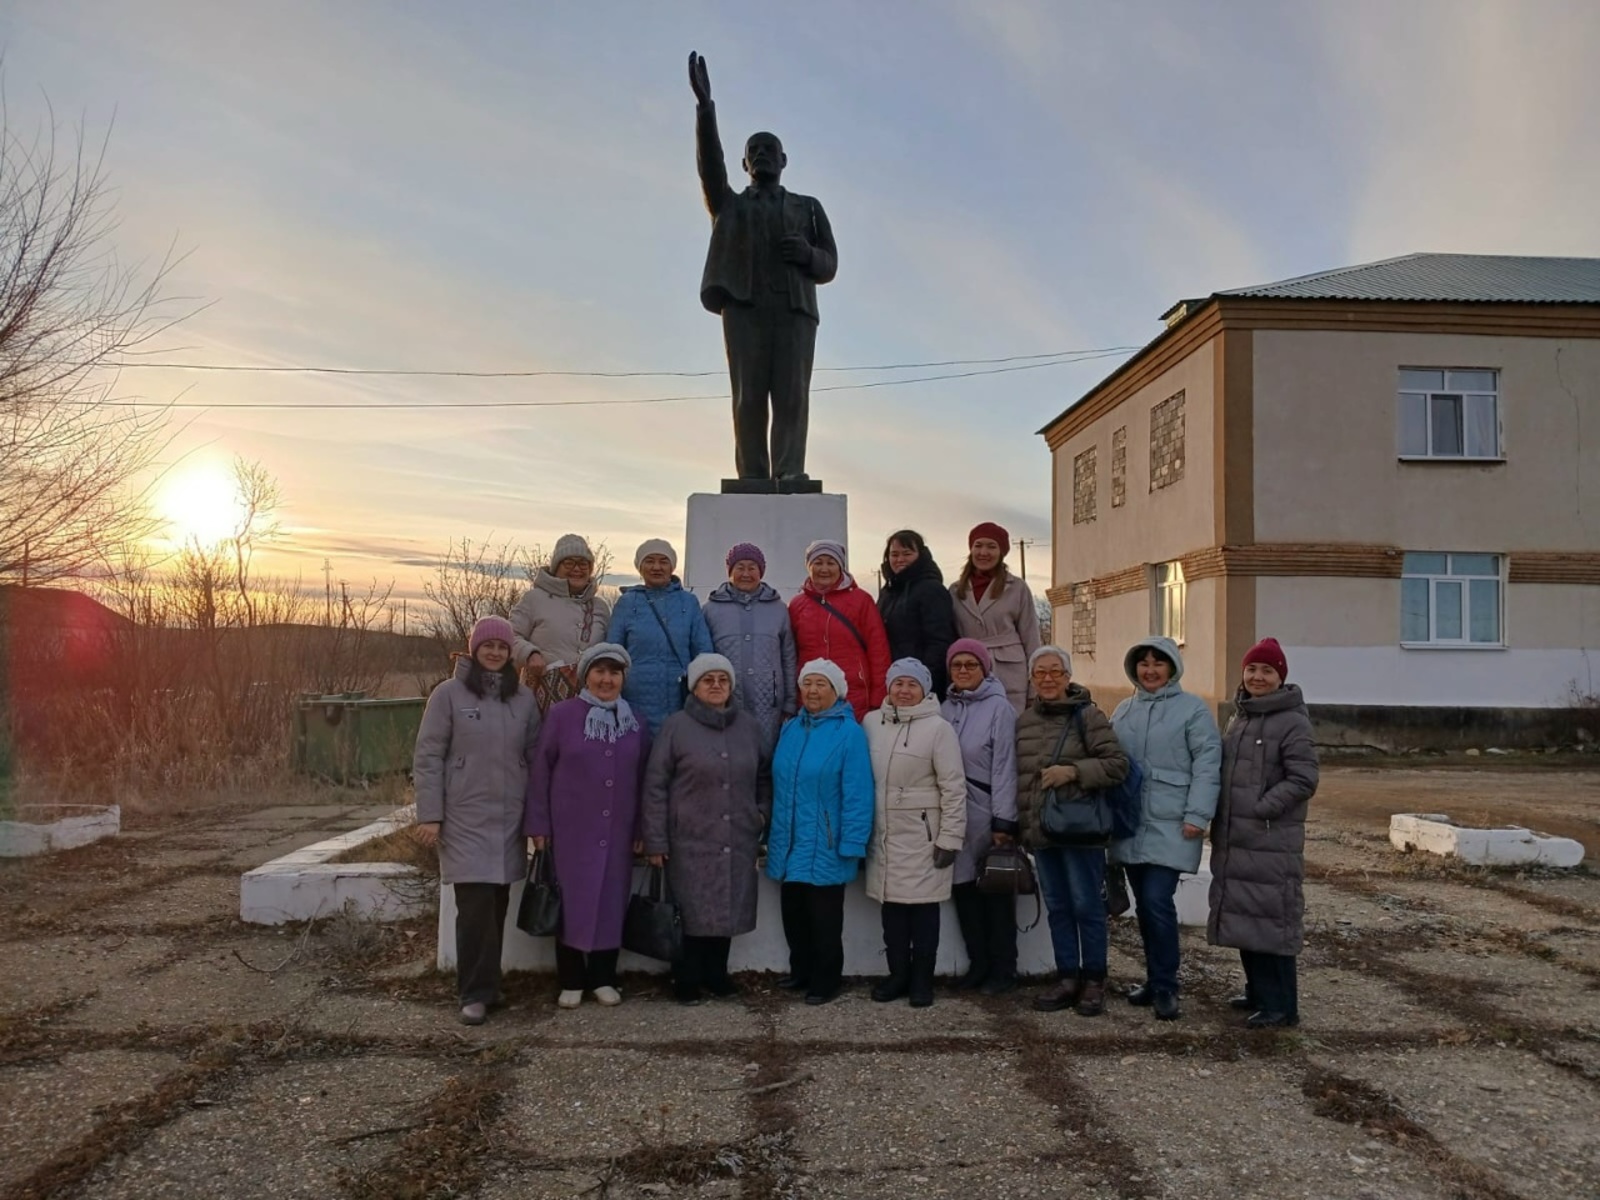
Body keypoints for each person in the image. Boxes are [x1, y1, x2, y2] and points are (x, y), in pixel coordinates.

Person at [689, 51, 838, 483]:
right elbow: (709, 167)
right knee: (748, 398)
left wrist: (807, 256)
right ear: (744, 164)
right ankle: (753, 476)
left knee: (792, 397)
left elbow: (830, 264)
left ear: (784, 159)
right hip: (745, 307)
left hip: (794, 310)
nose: (762, 155)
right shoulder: (730, 205)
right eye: (753, 151)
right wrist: (705, 110)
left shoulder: (807, 207)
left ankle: (790, 473)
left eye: (769, 150)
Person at [412, 616, 541, 1025]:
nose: (496, 652)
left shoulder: (522, 699)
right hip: (464, 817)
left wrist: (537, 816)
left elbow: (536, 758)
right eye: (488, 646)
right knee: (474, 905)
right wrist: (431, 815)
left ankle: (490, 986)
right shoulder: (448, 695)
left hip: (507, 818)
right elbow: (429, 756)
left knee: (498, 902)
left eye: (502, 647)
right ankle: (473, 993)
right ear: (474, 649)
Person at [524, 643, 651, 1009]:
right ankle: (570, 979)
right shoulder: (563, 716)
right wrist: (538, 825)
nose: (606, 679)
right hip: (571, 831)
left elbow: (645, 779)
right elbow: (540, 773)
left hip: (618, 832)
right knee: (571, 902)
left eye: (614, 673)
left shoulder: (635, 722)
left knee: (611, 902)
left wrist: (643, 829)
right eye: (599, 671)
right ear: (586, 676)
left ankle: (603, 977)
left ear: (623, 678)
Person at [642, 653, 771, 1005]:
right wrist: (655, 838)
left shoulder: (748, 726)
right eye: (707, 680)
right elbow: (655, 785)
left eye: (722, 680)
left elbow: (763, 776)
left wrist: (760, 814)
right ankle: (686, 979)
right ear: (694, 687)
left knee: (727, 905)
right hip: (690, 838)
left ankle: (717, 975)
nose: (716, 686)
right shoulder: (675, 726)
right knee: (691, 910)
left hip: (737, 834)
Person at [1109, 636, 1223, 1022]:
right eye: (1144, 663)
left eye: (1159, 662)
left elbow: (1207, 764)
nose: (1151, 670)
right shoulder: (1123, 710)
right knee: (1144, 906)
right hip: (1130, 823)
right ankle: (1154, 978)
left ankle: (1167, 986)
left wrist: (1197, 814)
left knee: (1158, 903)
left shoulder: (1192, 710)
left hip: (1172, 822)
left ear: (1172, 667)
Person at [1208, 637, 1319, 1028]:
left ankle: (1282, 1006)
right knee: (1246, 919)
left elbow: (1304, 779)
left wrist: (1262, 808)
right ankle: (1258, 991)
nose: (1258, 677)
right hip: (1238, 838)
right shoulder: (1241, 717)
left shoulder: (1292, 721)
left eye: (1267, 670)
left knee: (1273, 922)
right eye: (1252, 669)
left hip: (1271, 840)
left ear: (1280, 676)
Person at [1017, 646, 1129, 1017]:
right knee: (1059, 908)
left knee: (1087, 906)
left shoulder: (1089, 716)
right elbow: (1020, 778)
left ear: (1067, 677)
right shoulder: (1024, 721)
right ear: (1032, 679)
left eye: (1055, 672)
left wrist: (1074, 772)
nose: (1048, 679)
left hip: (1081, 831)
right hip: (1043, 830)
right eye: (1040, 673)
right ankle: (1067, 977)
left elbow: (1117, 765)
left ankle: (1094, 980)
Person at [766, 658, 874, 1005]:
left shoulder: (849, 733)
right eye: (807, 684)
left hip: (826, 842)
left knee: (824, 920)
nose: (812, 691)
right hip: (790, 839)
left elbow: (858, 792)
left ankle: (826, 979)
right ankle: (801, 971)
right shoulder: (792, 728)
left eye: (820, 685)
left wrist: (853, 841)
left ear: (836, 691)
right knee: (794, 912)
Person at [864, 658, 967, 1007]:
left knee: (923, 912)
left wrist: (950, 838)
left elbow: (953, 787)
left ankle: (922, 980)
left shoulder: (939, 729)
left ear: (924, 690)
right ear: (888, 687)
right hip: (884, 833)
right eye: (898, 684)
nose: (903, 691)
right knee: (891, 912)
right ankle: (898, 976)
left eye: (912, 685)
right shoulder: (871, 723)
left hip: (923, 836)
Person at [940, 638, 1021, 995]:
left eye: (970, 665)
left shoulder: (999, 709)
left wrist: (1003, 821)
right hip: (955, 813)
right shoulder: (944, 707)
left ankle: (1004, 968)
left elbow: (1005, 766)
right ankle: (979, 963)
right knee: (964, 892)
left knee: (995, 892)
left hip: (986, 810)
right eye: (956, 665)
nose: (962, 671)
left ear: (984, 669)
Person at [607, 539, 714, 734]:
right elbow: (613, 654)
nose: (657, 567)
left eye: (663, 561)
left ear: (672, 567)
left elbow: (704, 652)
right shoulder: (626, 603)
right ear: (640, 567)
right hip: (634, 701)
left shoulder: (688, 603)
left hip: (680, 700)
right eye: (650, 561)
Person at [702, 542, 797, 749]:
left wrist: (790, 702)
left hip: (770, 705)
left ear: (761, 572)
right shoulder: (710, 610)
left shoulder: (779, 610)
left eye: (752, 568)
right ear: (730, 571)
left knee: (766, 759)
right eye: (740, 567)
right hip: (726, 703)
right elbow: (703, 660)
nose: (746, 573)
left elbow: (788, 658)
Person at [788, 539, 890, 723]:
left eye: (831, 563)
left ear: (841, 566)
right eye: (818, 563)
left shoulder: (861, 600)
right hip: (811, 694)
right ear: (808, 566)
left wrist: (878, 697)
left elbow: (878, 650)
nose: (824, 569)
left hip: (855, 694)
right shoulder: (798, 605)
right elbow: (790, 652)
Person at [509, 534, 613, 710]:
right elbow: (509, 635)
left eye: (583, 563)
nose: (577, 569)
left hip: (589, 701)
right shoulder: (534, 599)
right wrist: (529, 654)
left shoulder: (600, 607)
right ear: (556, 567)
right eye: (569, 563)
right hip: (540, 699)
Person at [950, 522, 1041, 714]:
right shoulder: (955, 591)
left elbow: (1031, 639)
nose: (984, 552)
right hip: (970, 673)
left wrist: (1034, 690)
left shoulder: (1017, 588)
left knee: (1009, 733)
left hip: (1009, 673)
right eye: (978, 545)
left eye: (991, 546)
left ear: (1001, 552)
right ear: (971, 549)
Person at [876, 530, 958, 700]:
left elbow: (940, 641)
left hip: (920, 684)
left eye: (907, 553)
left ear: (921, 555)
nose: (900, 560)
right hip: (894, 681)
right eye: (894, 554)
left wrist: (923, 682)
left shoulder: (931, 589)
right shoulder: (888, 592)